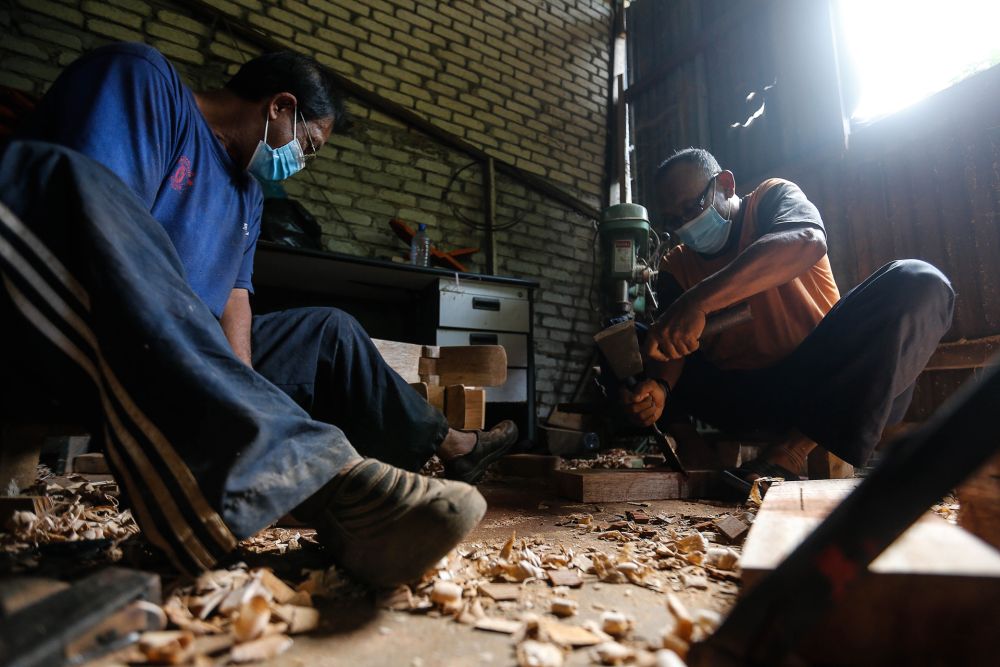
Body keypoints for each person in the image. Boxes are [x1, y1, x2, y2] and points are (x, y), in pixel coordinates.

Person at [1, 42, 517, 585]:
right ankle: (324, 482)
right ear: (279, 107)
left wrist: (241, 387)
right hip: (67, 316)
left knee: (328, 331)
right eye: (307, 145)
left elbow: (234, 298)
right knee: (74, 186)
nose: (300, 161)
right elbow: (89, 223)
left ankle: (361, 483)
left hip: (183, 347)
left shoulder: (247, 195)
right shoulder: (144, 83)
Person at [618, 148, 954, 489]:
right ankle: (695, 452)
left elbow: (807, 240)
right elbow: (672, 345)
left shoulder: (771, 198)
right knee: (624, 337)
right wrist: (659, 386)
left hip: (823, 383)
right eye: (674, 221)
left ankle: (789, 454)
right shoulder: (676, 265)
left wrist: (700, 300)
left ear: (726, 184)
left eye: (692, 208)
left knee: (919, 281)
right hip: (742, 400)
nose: (686, 225)